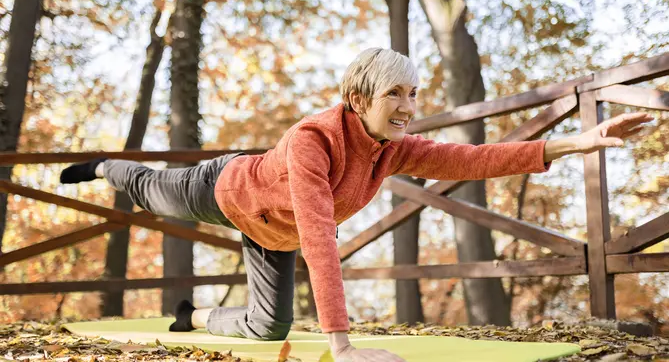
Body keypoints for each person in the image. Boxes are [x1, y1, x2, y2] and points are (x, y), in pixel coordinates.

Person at [60, 48, 653, 362]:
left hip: (272, 234)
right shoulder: (314, 141)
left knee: (269, 329)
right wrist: (340, 344)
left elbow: (475, 159)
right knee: (148, 188)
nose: (408, 105)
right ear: (357, 98)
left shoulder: (393, 148)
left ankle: (190, 317)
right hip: (224, 189)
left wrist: (580, 141)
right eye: (394, 93)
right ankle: (106, 166)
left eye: (414, 93)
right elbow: (321, 235)